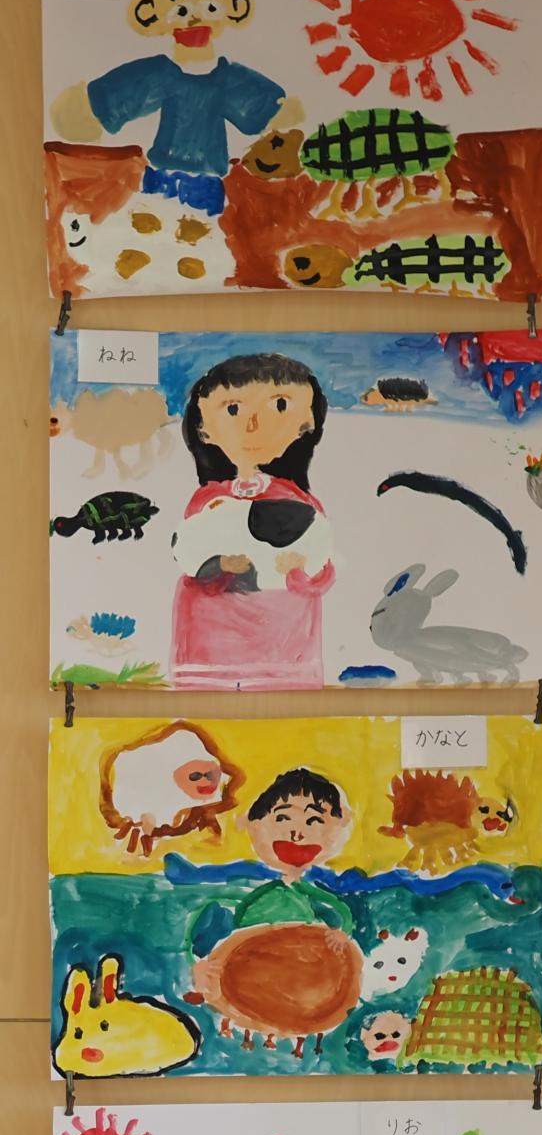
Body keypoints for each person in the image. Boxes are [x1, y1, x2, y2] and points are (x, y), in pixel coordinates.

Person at [49, 0, 301, 217]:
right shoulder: (160, 74)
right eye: (181, 10)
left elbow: (273, 110)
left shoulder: (227, 79)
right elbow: (103, 105)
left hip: (211, 182)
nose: (194, 19)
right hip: (161, 178)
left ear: (235, 10)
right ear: (151, 16)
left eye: (210, 8)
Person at [170, 353, 335, 689]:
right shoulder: (207, 503)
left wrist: (300, 572)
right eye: (233, 409)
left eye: (279, 406)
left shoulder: (301, 504)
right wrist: (220, 566)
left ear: (307, 422)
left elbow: (322, 569)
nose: (253, 424)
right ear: (203, 429)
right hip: (210, 641)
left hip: (283, 643)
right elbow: (192, 561)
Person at [231, 769, 355, 933]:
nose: (297, 835)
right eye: (283, 818)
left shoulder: (311, 892)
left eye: (314, 820)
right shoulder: (267, 887)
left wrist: (343, 933)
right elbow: (242, 910)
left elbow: (341, 912)